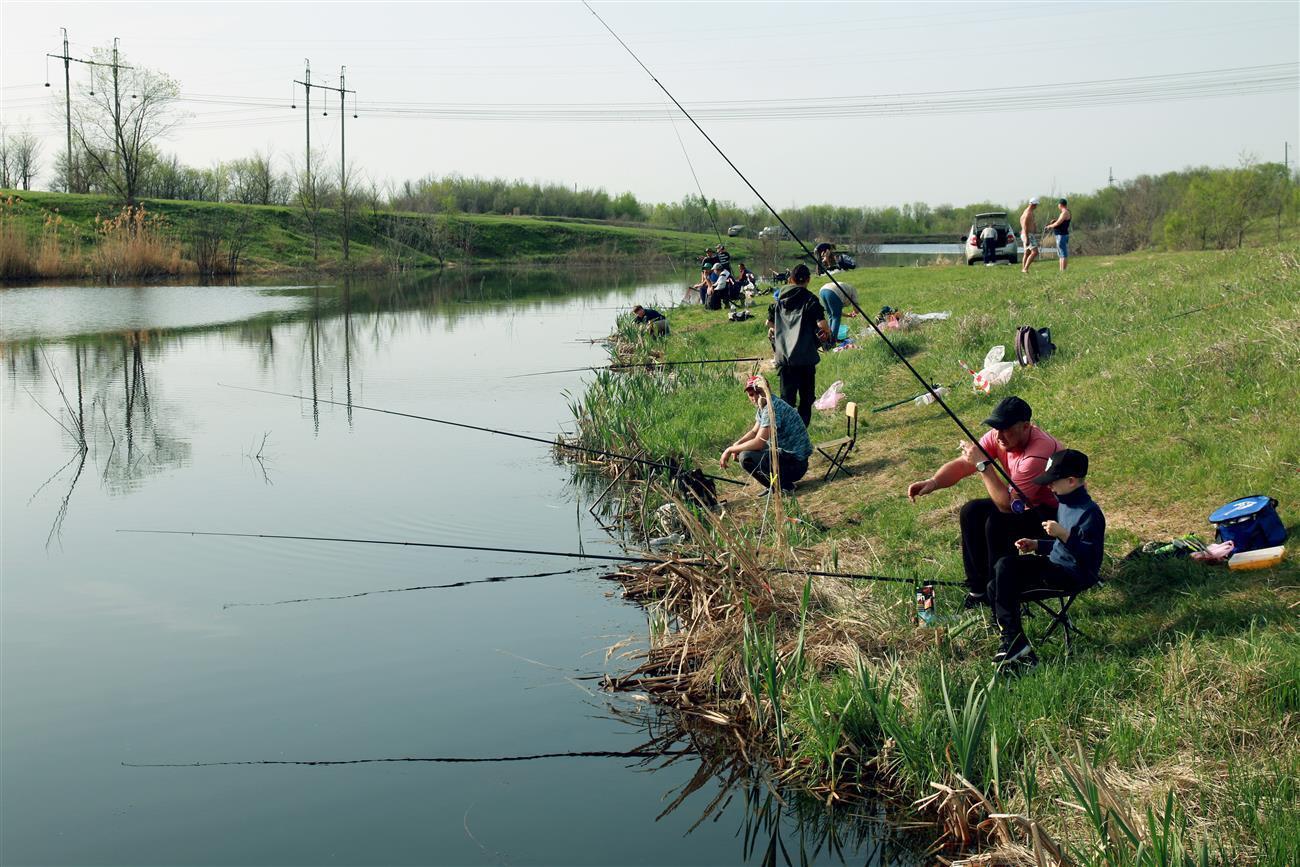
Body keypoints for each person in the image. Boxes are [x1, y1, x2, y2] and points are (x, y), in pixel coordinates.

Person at [906, 396, 1062, 607]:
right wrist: (933, 482)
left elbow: (1006, 506)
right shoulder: (1000, 437)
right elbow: (963, 465)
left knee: (997, 523)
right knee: (971, 511)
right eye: (995, 428)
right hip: (1026, 505)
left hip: (1054, 517)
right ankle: (978, 590)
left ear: (1026, 427)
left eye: (1006, 429)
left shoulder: (1036, 456)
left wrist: (983, 466)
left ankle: (998, 590)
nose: (998, 436)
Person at [991, 449, 1105, 666]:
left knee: (1006, 567)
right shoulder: (1064, 502)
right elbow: (1062, 547)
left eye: (1053, 481)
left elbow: (1089, 557)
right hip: (1055, 565)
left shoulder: (1089, 513)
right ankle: (1014, 643)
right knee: (993, 585)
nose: (1049, 486)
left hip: (1073, 575)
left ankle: (1014, 642)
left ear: (1071, 481)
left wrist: (1063, 534)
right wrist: (1038, 545)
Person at [720, 375, 813, 494]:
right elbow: (754, 432)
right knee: (744, 448)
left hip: (796, 464)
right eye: (751, 394)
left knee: (746, 457)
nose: (755, 397)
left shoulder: (772, 408)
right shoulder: (764, 405)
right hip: (789, 458)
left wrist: (729, 449)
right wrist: (737, 444)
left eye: (758, 392)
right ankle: (775, 485)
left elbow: (759, 442)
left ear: (767, 389)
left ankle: (783, 486)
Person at [767, 264, 830, 427]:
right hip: (805, 358)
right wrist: (826, 334)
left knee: (787, 401)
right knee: (806, 400)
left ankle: (788, 434)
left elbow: (770, 324)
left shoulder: (779, 299)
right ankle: (802, 432)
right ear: (808, 280)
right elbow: (823, 326)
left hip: (785, 360)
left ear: (790, 279)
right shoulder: (810, 300)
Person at [818, 279, 859, 347]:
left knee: (831, 316)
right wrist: (855, 312)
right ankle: (832, 343)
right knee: (836, 318)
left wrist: (848, 315)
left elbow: (836, 312)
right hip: (834, 291)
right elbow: (856, 307)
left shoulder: (846, 289)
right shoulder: (853, 291)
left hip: (823, 290)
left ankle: (829, 339)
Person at [1043, 198, 1071, 271]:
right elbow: (1060, 222)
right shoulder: (1063, 212)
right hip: (1060, 235)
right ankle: (1061, 270)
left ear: (1060, 205)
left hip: (1062, 235)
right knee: (1061, 254)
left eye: (1058, 204)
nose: (1058, 206)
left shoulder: (1065, 212)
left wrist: (1049, 226)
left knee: (1063, 253)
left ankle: (1063, 270)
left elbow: (1058, 223)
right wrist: (1054, 221)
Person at [1019, 198, 1041, 273]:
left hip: (1026, 234)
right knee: (1035, 252)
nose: (1036, 206)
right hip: (1028, 235)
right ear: (1032, 204)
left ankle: (1023, 269)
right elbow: (1025, 226)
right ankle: (1025, 269)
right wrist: (1027, 238)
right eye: (1036, 205)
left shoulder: (1027, 212)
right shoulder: (1028, 213)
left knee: (1027, 252)